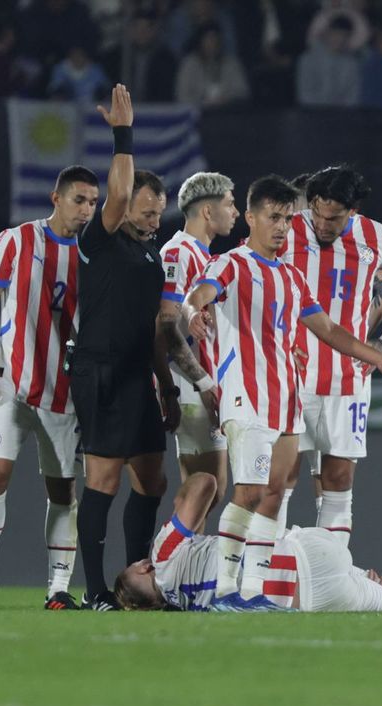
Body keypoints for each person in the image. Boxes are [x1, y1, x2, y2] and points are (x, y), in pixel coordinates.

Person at [181, 175, 382, 609]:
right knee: (249, 492)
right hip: (246, 397)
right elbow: (200, 293)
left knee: (273, 494)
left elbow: (326, 329)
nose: (282, 227)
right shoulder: (231, 263)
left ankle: (255, 590)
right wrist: (195, 312)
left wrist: (379, 356)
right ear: (250, 218)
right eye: (273, 217)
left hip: (286, 398)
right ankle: (226, 588)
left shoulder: (289, 275)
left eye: (288, 219)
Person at [0, 165, 99, 611]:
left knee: (63, 491)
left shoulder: (92, 254)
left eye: (93, 202)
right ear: (55, 199)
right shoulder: (16, 241)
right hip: (10, 383)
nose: (86, 210)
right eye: (79, 200)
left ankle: (57, 588)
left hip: (63, 393)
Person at [112, 474, 382, 613]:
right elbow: (203, 483)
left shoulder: (185, 611)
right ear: (145, 568)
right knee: (289, 478)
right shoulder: (163, 554)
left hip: (309, 601)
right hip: (305, 551)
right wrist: (192, 517)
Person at [70, 84, 179, 611]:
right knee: (104, 480)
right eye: (147, 210)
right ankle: (94, 591)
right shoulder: (101, 238)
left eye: (160, 212)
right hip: (102, 372)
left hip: (139, 374)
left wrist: (169, 385)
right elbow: (115, 196)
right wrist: (123, 134)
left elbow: (156, 325)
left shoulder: (151, 252)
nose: (155, 219)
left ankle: (140, 579)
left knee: (153, 479)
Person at [284, 166, 382, 541]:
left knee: (338, 477)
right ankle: (266, 575)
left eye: (335, 218)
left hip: (346, 378)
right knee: (278, 479)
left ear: (353, 210)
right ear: (310, 203)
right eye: (319, 214)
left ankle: (331, 570)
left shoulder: (376, 237)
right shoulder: (285, 228)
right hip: (287, 376)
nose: (324, 225)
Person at [157, 172, 239, 519]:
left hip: (201, 380)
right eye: (230, 204)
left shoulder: (203, 256)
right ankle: (170, 559)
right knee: (208, 485)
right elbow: (164, 323)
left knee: (209, 488)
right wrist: (197, 382)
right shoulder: (178, 253)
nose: (235, 212)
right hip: (188, 382)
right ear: (207, 211)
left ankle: (179, 564)